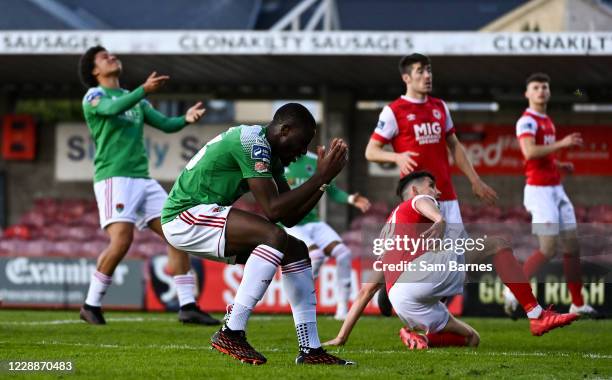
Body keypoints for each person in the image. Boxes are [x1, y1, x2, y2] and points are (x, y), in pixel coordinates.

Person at [161, 103, 354, 365]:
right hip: (184, 216)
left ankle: (311, 349)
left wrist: (323, 181)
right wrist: (319, 175)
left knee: (295, 250)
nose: (301, 152)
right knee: (273, 237)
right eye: (301, 143)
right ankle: (231, 331)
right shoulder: (253, 142)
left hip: (200, 215)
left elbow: (290, 217)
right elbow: (273, 212)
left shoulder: (269, 153)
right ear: (284, 130)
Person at [324, 171, 579, 349]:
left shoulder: (388, 231)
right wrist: (440, 220)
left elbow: (366, 291)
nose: (438, 190)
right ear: (414, 190)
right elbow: (430, 209)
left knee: (472, 339)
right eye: (431, 185)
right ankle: (536, 315)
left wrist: (341, 336)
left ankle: (420, 337)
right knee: (497, 244)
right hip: (420, 276)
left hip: (403, 302)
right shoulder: (418, 200)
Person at [78, 45, 219, 326]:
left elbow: (166, 124)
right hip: (114, 178)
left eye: (113, 54)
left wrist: (185, 119)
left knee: (176, 232)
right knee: (122, 240)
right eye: (104, 57)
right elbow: (111, 108)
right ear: (95, 71)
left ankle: (188, 305)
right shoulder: (95, 96)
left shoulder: (136, 100)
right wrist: (143, 90)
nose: (112, 57)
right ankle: (90, 305)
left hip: (143, 178)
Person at [364, 52, 497, 314]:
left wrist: (475, 180)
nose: (427, 76)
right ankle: (392, 294)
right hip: (416, 202)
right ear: (406, 78)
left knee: (457, 263)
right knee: (418, 258)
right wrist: (396, 156)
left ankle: (420, 316)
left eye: (429, 70)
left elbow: (455, 146)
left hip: (446, 195)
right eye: (420, 71)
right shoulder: (394, 111)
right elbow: (371, 151)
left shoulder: (440, 107)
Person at [504, 72, 599, 318]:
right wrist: (562, 144)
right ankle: (514, 288)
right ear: (527, 93)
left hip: (556, 188)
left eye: (545, 87)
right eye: (535, 87)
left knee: (572, 246)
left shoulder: (547, 121)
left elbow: (544, 156)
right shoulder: (527, 121)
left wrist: (558, 165)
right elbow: (529, 152)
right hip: (539, 191)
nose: (541, 91)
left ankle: (578, 303)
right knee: (548, 248)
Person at [284, 151, 371, 320]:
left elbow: (333, 191)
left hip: (313, 221)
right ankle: (301, 299)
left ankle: (343, 309)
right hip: (290, 223)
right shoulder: (280, 160)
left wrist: (352, 199)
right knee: (316, 256)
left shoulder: (316, 161)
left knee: (343, 253)